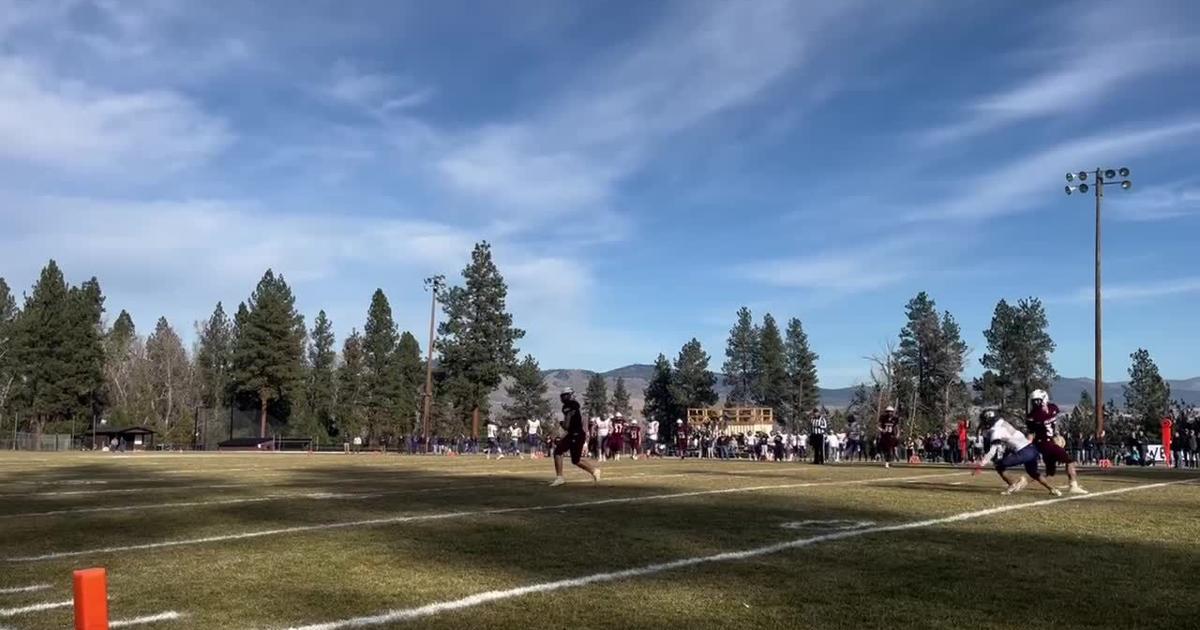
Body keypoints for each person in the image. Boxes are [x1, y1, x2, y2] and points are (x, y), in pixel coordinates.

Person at [976, 410, 1060, 496]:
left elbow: (994, 448)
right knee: (1033, 473)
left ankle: (1014, 483)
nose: (983, 423)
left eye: (984, 420)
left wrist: (984, 461)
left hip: (1023, 451)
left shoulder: (996, 431)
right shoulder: (1002, 422)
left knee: (999, 465)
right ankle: (1052, 489)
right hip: (1031, 449)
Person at [1026, 390, 1087, 494]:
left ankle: (1024, 481)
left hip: (1043, 443)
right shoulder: (1049, 409)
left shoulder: (1035, 414)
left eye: (1037, 401)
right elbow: (1032, 433)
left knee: (1050, 472)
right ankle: (1073, 485)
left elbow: (1033, 433)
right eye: (1034, 401)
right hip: (1048, 443)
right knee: (1070, 461)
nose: (1035, 403)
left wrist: (1056, 434)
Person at [550, 388, 600, 487]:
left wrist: (562, 424)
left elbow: (567, 426)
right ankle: (594, 471)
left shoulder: (570, 406)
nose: (562, 397)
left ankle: (560, 477)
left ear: (569, 395)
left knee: (563, 454)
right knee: (571, 458)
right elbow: (568, 426)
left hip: (576, 434)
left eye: (564, 395)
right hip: (575, 433)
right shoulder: (570, 406)